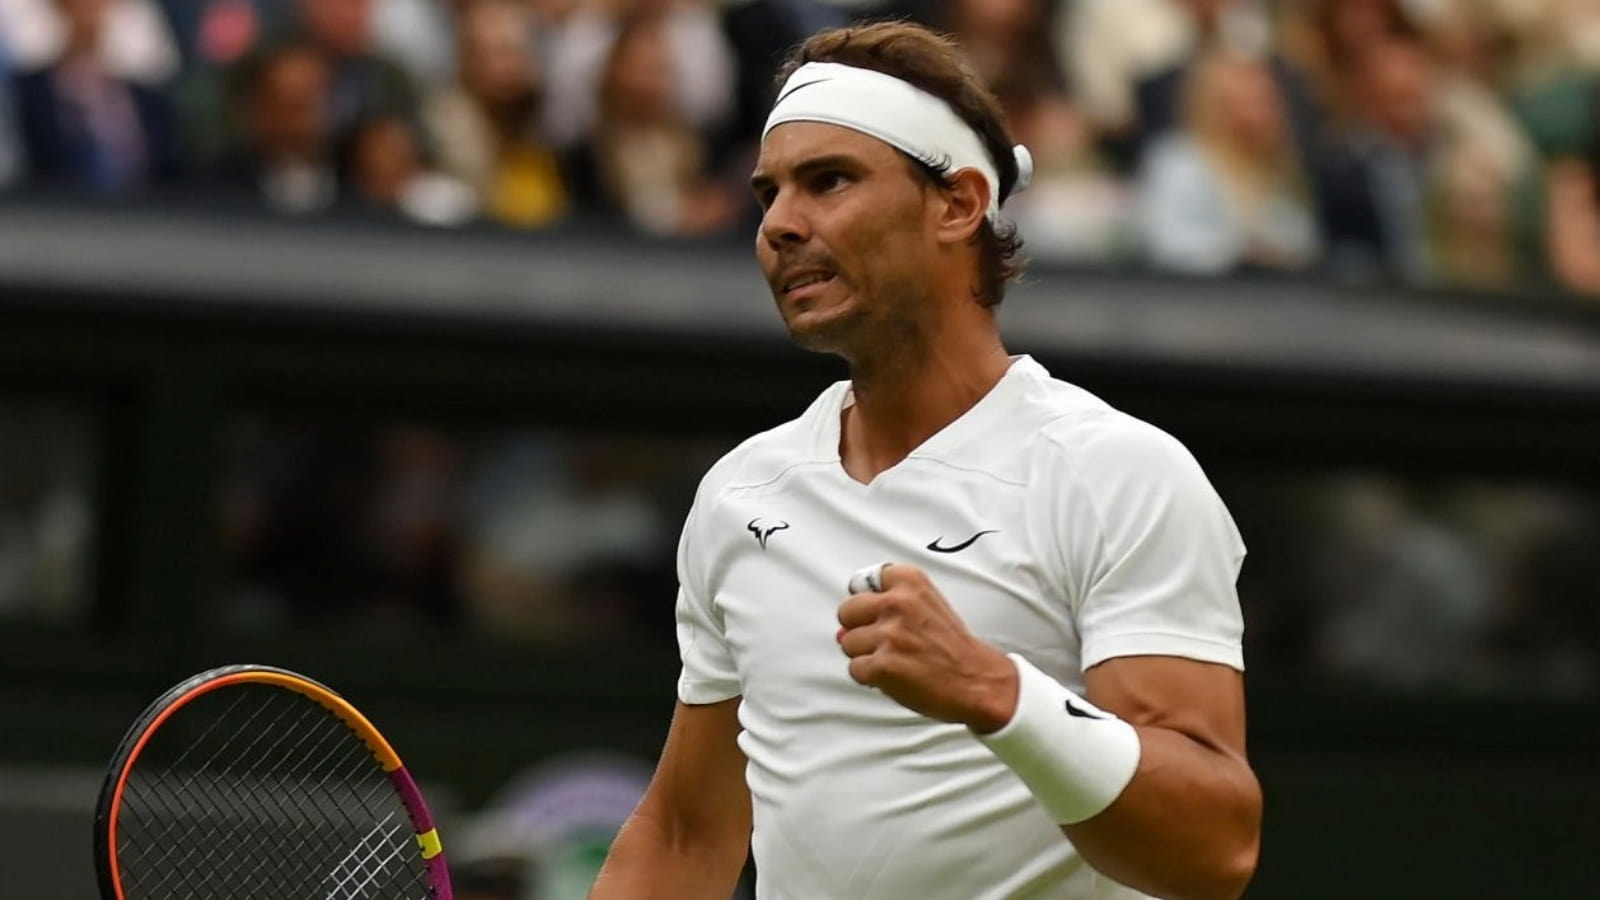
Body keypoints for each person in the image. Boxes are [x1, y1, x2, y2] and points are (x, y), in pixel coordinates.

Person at [590, 20, 1261, 900]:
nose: (782, 224)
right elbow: (686, 835)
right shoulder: (741, 496)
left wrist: (994, 691)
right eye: (769, 195)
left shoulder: (1118, 474)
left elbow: (1213, 850)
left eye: (828, 181)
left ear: (958, 204)